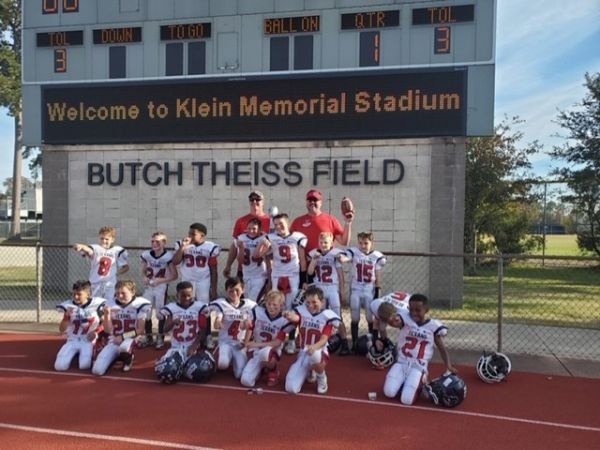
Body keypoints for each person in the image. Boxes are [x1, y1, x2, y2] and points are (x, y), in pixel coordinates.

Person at [377, 294, 457, 405]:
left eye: (418, 310)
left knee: (406, 400)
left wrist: (448, 365)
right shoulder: (405, 319)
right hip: (402, 363)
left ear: (426, 309)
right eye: (411, 310)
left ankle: (420, 383)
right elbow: (394, 322)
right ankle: (404, 383)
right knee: (389, 392)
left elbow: (441, 348)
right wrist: (387, 317)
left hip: (419, 367)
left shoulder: (433, 326)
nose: (414, 313)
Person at [254, 213, 307, 354]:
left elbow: (302, 260)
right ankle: (276, 339)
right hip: (277, 275)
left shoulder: (297, 237)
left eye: (281, 224)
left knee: (291, 307)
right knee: (275, 306)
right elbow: (257, 255)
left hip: (293, 275)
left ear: (287, 223)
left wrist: (304, 281)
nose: (278, 227)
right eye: (276, 224)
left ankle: (291, 340)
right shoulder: (271, 237)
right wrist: (262, 244)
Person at [284, 286, 341, 395]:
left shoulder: (327, 316)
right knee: (291, 388)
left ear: (322, 302)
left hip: (319, 351)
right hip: (303, 352)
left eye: (314, 302)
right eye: (308, 302)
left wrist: (314, 347)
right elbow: (296, 318)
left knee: (314, 354)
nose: (310, 305)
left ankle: (321, 376)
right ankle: (309, 370)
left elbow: (324, 339)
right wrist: (289, 315)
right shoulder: (302, 311)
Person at [172, 222, 220, 347]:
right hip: (187, 280)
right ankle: (189, 335)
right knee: (186, 308)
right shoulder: (182, 244)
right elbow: (175, 261)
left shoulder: (210, 247)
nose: (190, 236)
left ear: (202, 235)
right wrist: (183, 248)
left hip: (203, 281)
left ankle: (208, 335)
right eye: (189, 233)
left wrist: (214, 289)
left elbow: (214, 269)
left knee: (205, 309)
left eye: (193, 234)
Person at [92, 280, 151, 376]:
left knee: (124, 347)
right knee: (97, 370)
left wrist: (123, 336)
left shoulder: (139, 305)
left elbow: (140, 330)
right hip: (114, 339)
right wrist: (107, 314)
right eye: (117, 293)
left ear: (132, 292)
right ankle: (116, 357)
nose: (119, 296)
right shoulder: (110, 304)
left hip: (131, 338)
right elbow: (107, 330)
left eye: (123, 293)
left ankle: (128, 358)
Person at [307, 232, 351, 355]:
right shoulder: (315, 253)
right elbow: (310, 272)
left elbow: (340, 275)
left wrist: (342, 290)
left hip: (332, 288)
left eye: (326, 242)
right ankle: (319, 343)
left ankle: (345, 344)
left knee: (338, 317)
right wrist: (314, 260)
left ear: (331, 242)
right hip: (319, 289)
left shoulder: (335, 254)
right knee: (320, 317)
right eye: (321, 242)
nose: (323, 245)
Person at [155, 281, 208, 382]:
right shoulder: (172, 308)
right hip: (176, 347)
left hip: (191, 347)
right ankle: (174, 362)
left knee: (199, 372)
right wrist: (173, 322)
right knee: (167, 372)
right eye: (183, 295)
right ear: (177, 295)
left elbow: (203, 329)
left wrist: (194, 345)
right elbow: (164, 330)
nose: (187, 298)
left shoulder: (199, 307)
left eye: (189, 295)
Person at [240, 290, 294, 388]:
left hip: (272, 350)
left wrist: (256, 344)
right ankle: (261, 368)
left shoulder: (284, 320)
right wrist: (244, 323)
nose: (271, 307)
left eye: (275, 305)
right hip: (257, 351)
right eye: (269, 304)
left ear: (281, 305)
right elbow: (244, 327)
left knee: (266, 352)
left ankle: (273, 370)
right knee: (246, 381)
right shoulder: (258, 312)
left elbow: (277, 342)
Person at [342, 232, 386, 351]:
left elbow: (377, 275)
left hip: (368, 290)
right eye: (360, 243)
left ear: (372, 243)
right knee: (355, 317)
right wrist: (342, 258)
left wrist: (378, 291)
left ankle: (373, 343)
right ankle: (354, 344)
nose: (362, 245)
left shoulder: (376, 256)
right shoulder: (354, 252)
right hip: (356, 289)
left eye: (366, 243)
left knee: (370, 318)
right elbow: (347, 257)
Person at [210, 277, 257, 379]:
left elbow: (251, 325)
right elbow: (217, 317)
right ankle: (221, 355)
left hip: (239, 344)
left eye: (237, 290)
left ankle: (233, 359)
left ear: (243, 290)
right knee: (222, 364)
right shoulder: (221, 304)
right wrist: (217, 322)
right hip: (225, 342)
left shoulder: (250, 305)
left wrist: (246, 342)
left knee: (239, 374)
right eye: (231, 290)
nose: (234, 293)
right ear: (226, 290)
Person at [54, 280, 105, 372]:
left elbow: (105, 323)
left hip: (88, 339)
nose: (75, 297)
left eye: (79, 294)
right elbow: (61, 329)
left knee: (84, 365)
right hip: (72, 339)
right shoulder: (68, 305)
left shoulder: (96, 304)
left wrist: (96, 332)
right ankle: (76, 354)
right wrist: (66, 317)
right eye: (74, 294)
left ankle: (94, 350)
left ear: (88, 294)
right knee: (59, 366)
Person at [140, 231, 177, 349]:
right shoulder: (147, 255)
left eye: (158, 241)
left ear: (164, 243)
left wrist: (160, 281)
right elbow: (143, 269)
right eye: (153, 241)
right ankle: (148, 336)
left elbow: (174, 276)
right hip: (149, 287)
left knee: (160, 313)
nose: (154, 243)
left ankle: (160, 337)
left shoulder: (168, 256)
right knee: (146, 311)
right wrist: (144, 277)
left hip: (161, 287)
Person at [72, 226, 129, 301]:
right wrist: (81, 246)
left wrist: (115, 274)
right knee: (94, 304)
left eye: (107, 239)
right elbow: (88, 250)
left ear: (112, 240)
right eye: (102, 238)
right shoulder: (96, 248)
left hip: (110, 284)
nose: (104, 241)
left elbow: (125, 267)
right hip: (95, 283)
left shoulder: (117, 250)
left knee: (109, 304)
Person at [223, 190, 271, 278]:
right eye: (252, 200)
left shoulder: (270, 221)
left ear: (263, 202)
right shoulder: (241, 221)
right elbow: (235, 245)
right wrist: (228, 265)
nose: (254, 202)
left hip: (263, 271)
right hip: (244, 270)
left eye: (258, 199)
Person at [290, 189, 353, 254]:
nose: (312, 202)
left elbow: (344, 242)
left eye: (315, 200)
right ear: (306, 202)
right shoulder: (297, 222)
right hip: (304, 260)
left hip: (326, 260)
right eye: (310, 200)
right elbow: (288, 242)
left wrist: (348, 222)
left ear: (321, 203)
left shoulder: (331, 220)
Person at [232, 218, 269, 303]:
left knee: (253, 302)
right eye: (249, 228)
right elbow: (240, 261)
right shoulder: (242, 238)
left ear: (259, 229)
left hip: (260, 276)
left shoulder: (265, 238)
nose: (251, 231)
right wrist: (241, 248)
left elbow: (256, 256)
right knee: (247, 301)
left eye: (254, 229)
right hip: (246, 275)